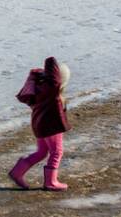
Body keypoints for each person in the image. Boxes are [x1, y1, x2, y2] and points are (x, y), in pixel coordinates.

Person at [8, 56, 71, 191]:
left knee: (42, 152)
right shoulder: (52, 92)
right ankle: (51, 182)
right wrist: (51, 61)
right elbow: (54, 79)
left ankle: (17, 172)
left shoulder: (40, 89)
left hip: (39, 125)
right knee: (57, 151)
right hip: (51, 127)